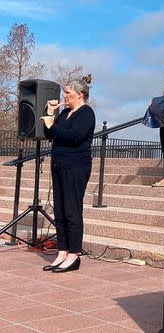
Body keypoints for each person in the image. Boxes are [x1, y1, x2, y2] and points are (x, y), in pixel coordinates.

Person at [41, 75, 96, 273]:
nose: (64, 96)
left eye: (68, 92)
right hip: (59, 165)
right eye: (64, 92)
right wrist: (49, 114)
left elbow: (74, 137)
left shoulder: (87, 113)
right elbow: (49, 134)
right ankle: (62, 251)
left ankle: (74, 255)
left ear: (80, 95)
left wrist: (52, 125)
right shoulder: (64, 113)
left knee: (72, 211)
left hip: (76, 167)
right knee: (61, 211)